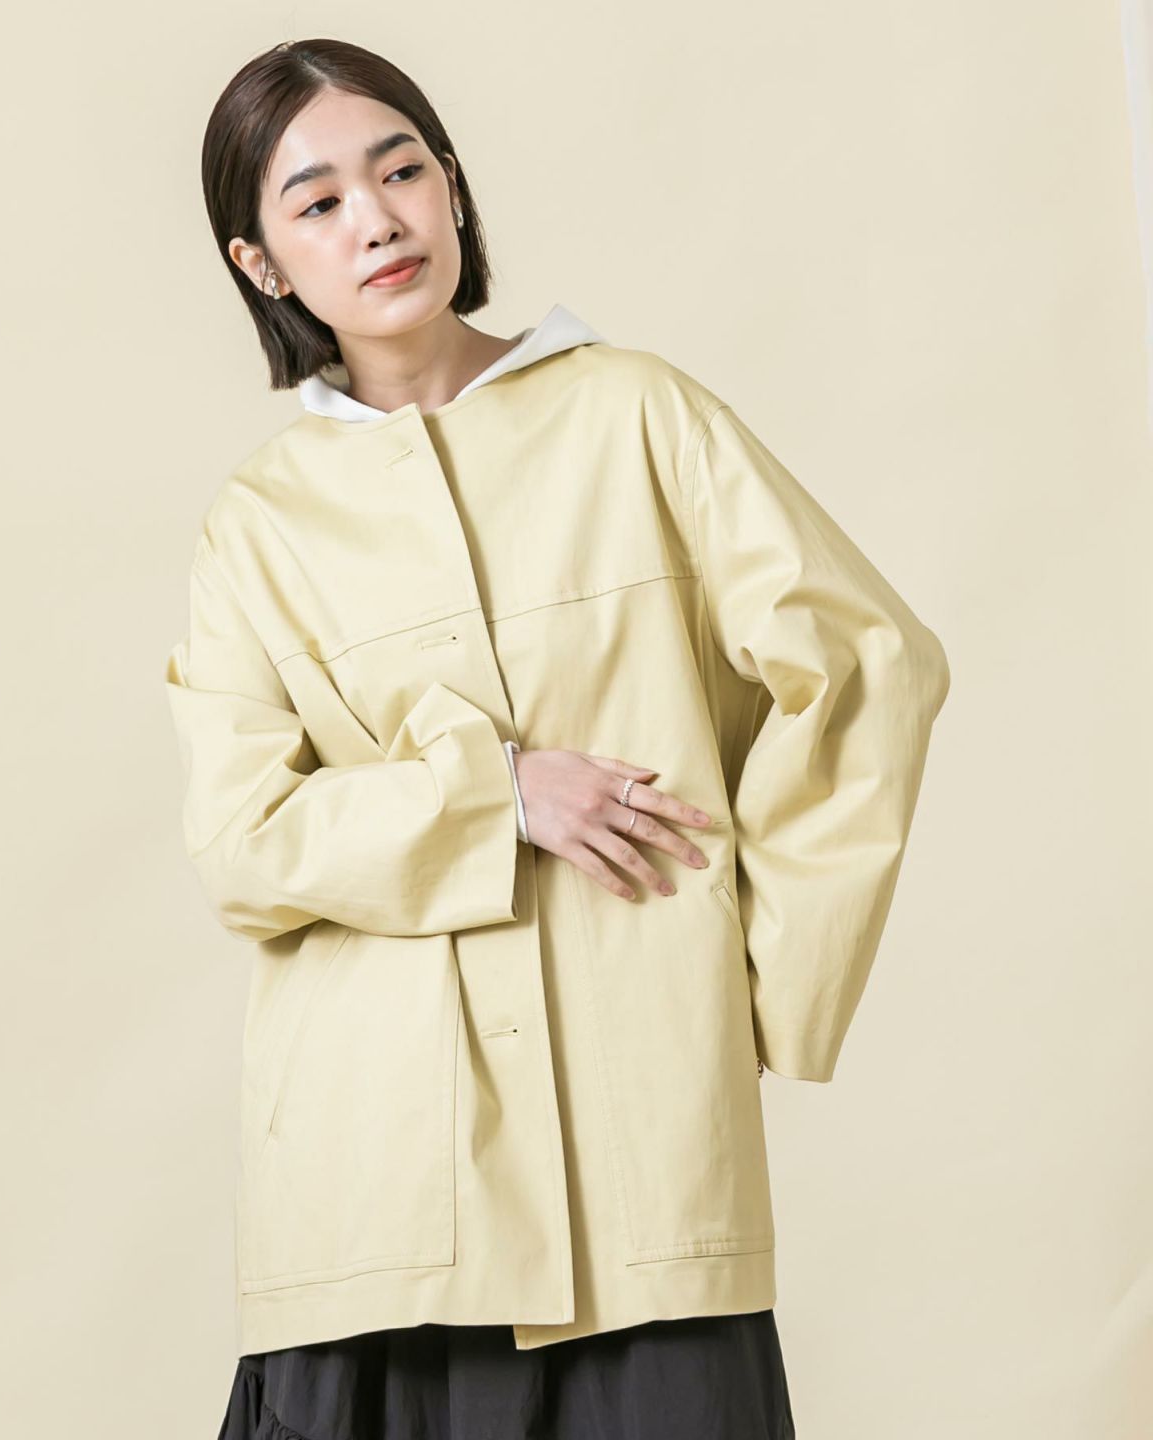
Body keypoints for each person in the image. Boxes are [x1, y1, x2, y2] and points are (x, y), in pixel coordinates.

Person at [167, 36, 950, 1440]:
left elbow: (867, 666)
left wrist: (756, 987)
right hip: (375, 1182)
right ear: (262, 264)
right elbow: (242, 842)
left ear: (453, 188)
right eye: (319, 202)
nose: (378, 220)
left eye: (402, 171)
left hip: (640, 1156)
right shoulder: (258, 525)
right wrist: (499, 796)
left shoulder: (636, 413)